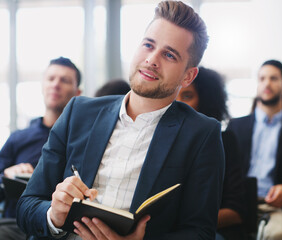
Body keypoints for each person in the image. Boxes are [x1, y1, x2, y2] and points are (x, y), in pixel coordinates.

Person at [17, 1, 225, 240]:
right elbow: (27, 206)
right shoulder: (79, 112)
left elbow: (200, 233)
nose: (151, 59)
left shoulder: (202, 134)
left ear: (188, 75)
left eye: (169, 54)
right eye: (148, 45)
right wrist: (54, 214)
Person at [227, 59, 282, 239]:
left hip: (276, 208)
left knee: (278, 233)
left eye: (273, 78)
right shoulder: (235, 127)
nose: (267, 83)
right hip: (238, 204)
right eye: (262, 78)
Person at [0, 56, 81, 239]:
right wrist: (6, 174)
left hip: (62, 228)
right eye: (51, 79)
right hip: (13, 225)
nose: (56, 85)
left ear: (78, 93)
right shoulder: (18, 138)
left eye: (65, 80)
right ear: (43, 85)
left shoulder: (83, 141)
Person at [176, 66, 246, 240]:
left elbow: (236, 211)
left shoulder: (225, 141)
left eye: (187, 96)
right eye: (173, 96)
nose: (177, 104)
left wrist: (184, 226)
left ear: (206, 100)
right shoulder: (161, 142)